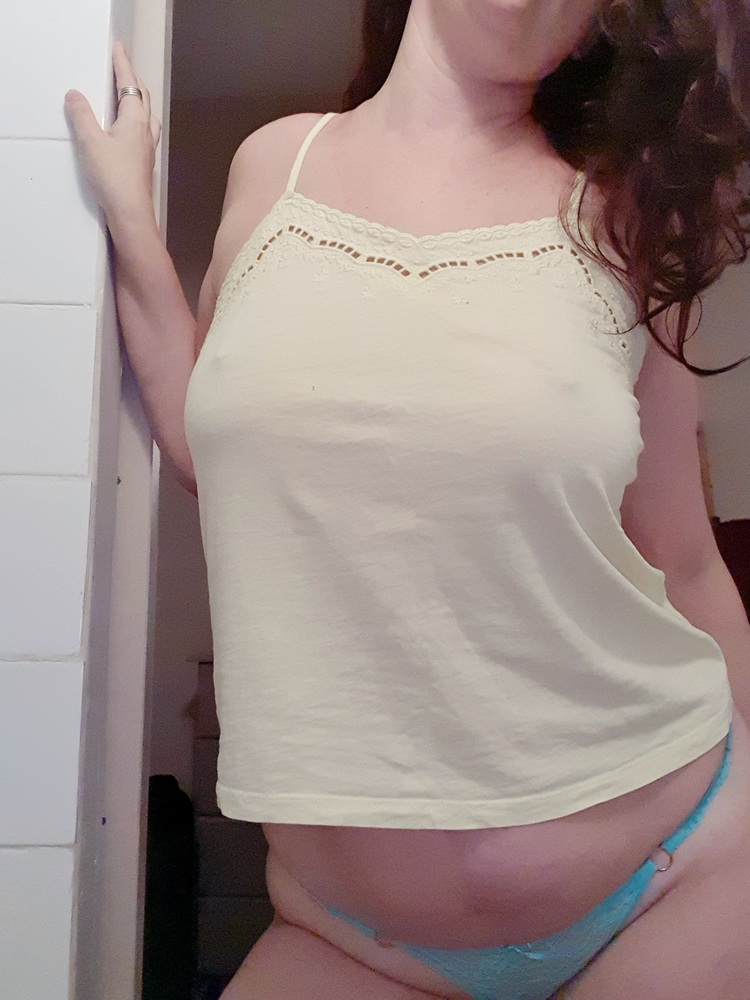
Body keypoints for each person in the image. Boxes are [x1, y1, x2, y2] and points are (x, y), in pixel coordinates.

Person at [65, 2, 750, 997]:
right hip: (353, 939)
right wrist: (130, 217)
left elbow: (683, 561)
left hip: (671, 878)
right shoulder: (275, 167)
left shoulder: (623, 218)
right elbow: (209, 436)